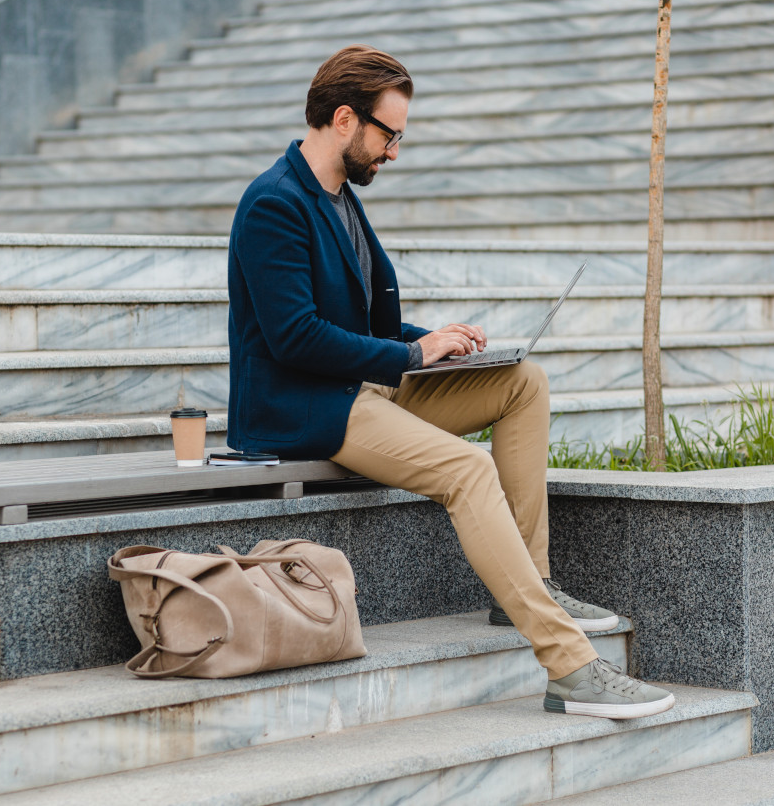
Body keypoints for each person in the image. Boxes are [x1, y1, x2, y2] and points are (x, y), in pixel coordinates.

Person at [226, 45, 674, 719]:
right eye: (390, 134)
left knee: (522, 382)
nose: (395, 152)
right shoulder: (273, 204)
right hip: (306, 407)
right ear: (344, 119)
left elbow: (364, 322)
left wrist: (434, 341)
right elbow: (296, 336)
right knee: (467, 470)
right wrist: (410, 354)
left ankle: (529, 583)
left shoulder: (341, 197)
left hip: (363, 387)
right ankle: (571, 666)